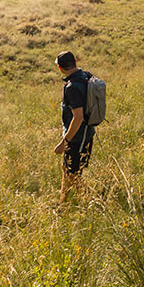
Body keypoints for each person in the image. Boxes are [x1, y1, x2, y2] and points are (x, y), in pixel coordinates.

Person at [54, 50, 95, 202]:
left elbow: (77, 117)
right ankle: (67, 201)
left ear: (60, 68)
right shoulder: (86, 76)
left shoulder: (71, 87)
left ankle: (70, 203)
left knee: (71, 173)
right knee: (70, 171)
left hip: (78, 137)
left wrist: (64, 142)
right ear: (75, 61)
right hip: (88, 133)